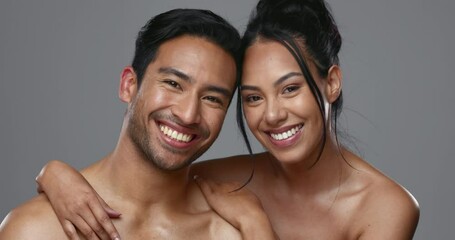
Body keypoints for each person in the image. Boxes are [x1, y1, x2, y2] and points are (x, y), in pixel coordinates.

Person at [19, 0, 421, 239]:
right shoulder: (225, 179)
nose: (273, 114)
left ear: (331, 82)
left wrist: (256, 225)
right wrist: (54, 174)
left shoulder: (384, 207)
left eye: (291, 88)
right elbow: (150, 174)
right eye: (252, 97)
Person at [0, 9, 278, 240]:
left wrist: (258, 226)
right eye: (173, 83)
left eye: (212, 98)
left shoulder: (230, 232)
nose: (189, 114)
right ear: (128, 85)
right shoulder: (37, 230)